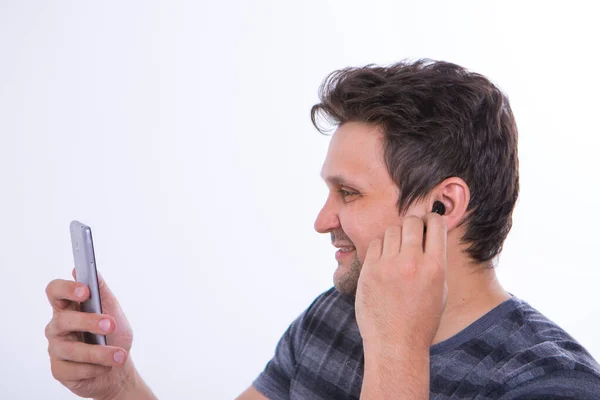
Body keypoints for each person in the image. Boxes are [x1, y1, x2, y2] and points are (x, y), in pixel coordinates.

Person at [45, 59, 600, 399]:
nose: (321, 220)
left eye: (349, 193)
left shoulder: (553, 383)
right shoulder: (332, 317)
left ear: (442, 205)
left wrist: (397, 351)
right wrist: (117, 386)